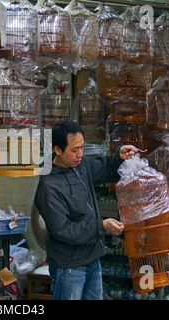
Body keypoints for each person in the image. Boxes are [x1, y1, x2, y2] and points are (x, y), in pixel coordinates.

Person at [34, 120, 138, 300]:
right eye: (75, 150)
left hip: (92, 257)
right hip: (69, 264)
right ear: (57, 150)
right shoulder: (49, 186)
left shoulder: (81, 166)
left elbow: (105, 167)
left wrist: (118, 157)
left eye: (82, 147)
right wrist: (101, 226)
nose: (80, 154)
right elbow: (63, 230)